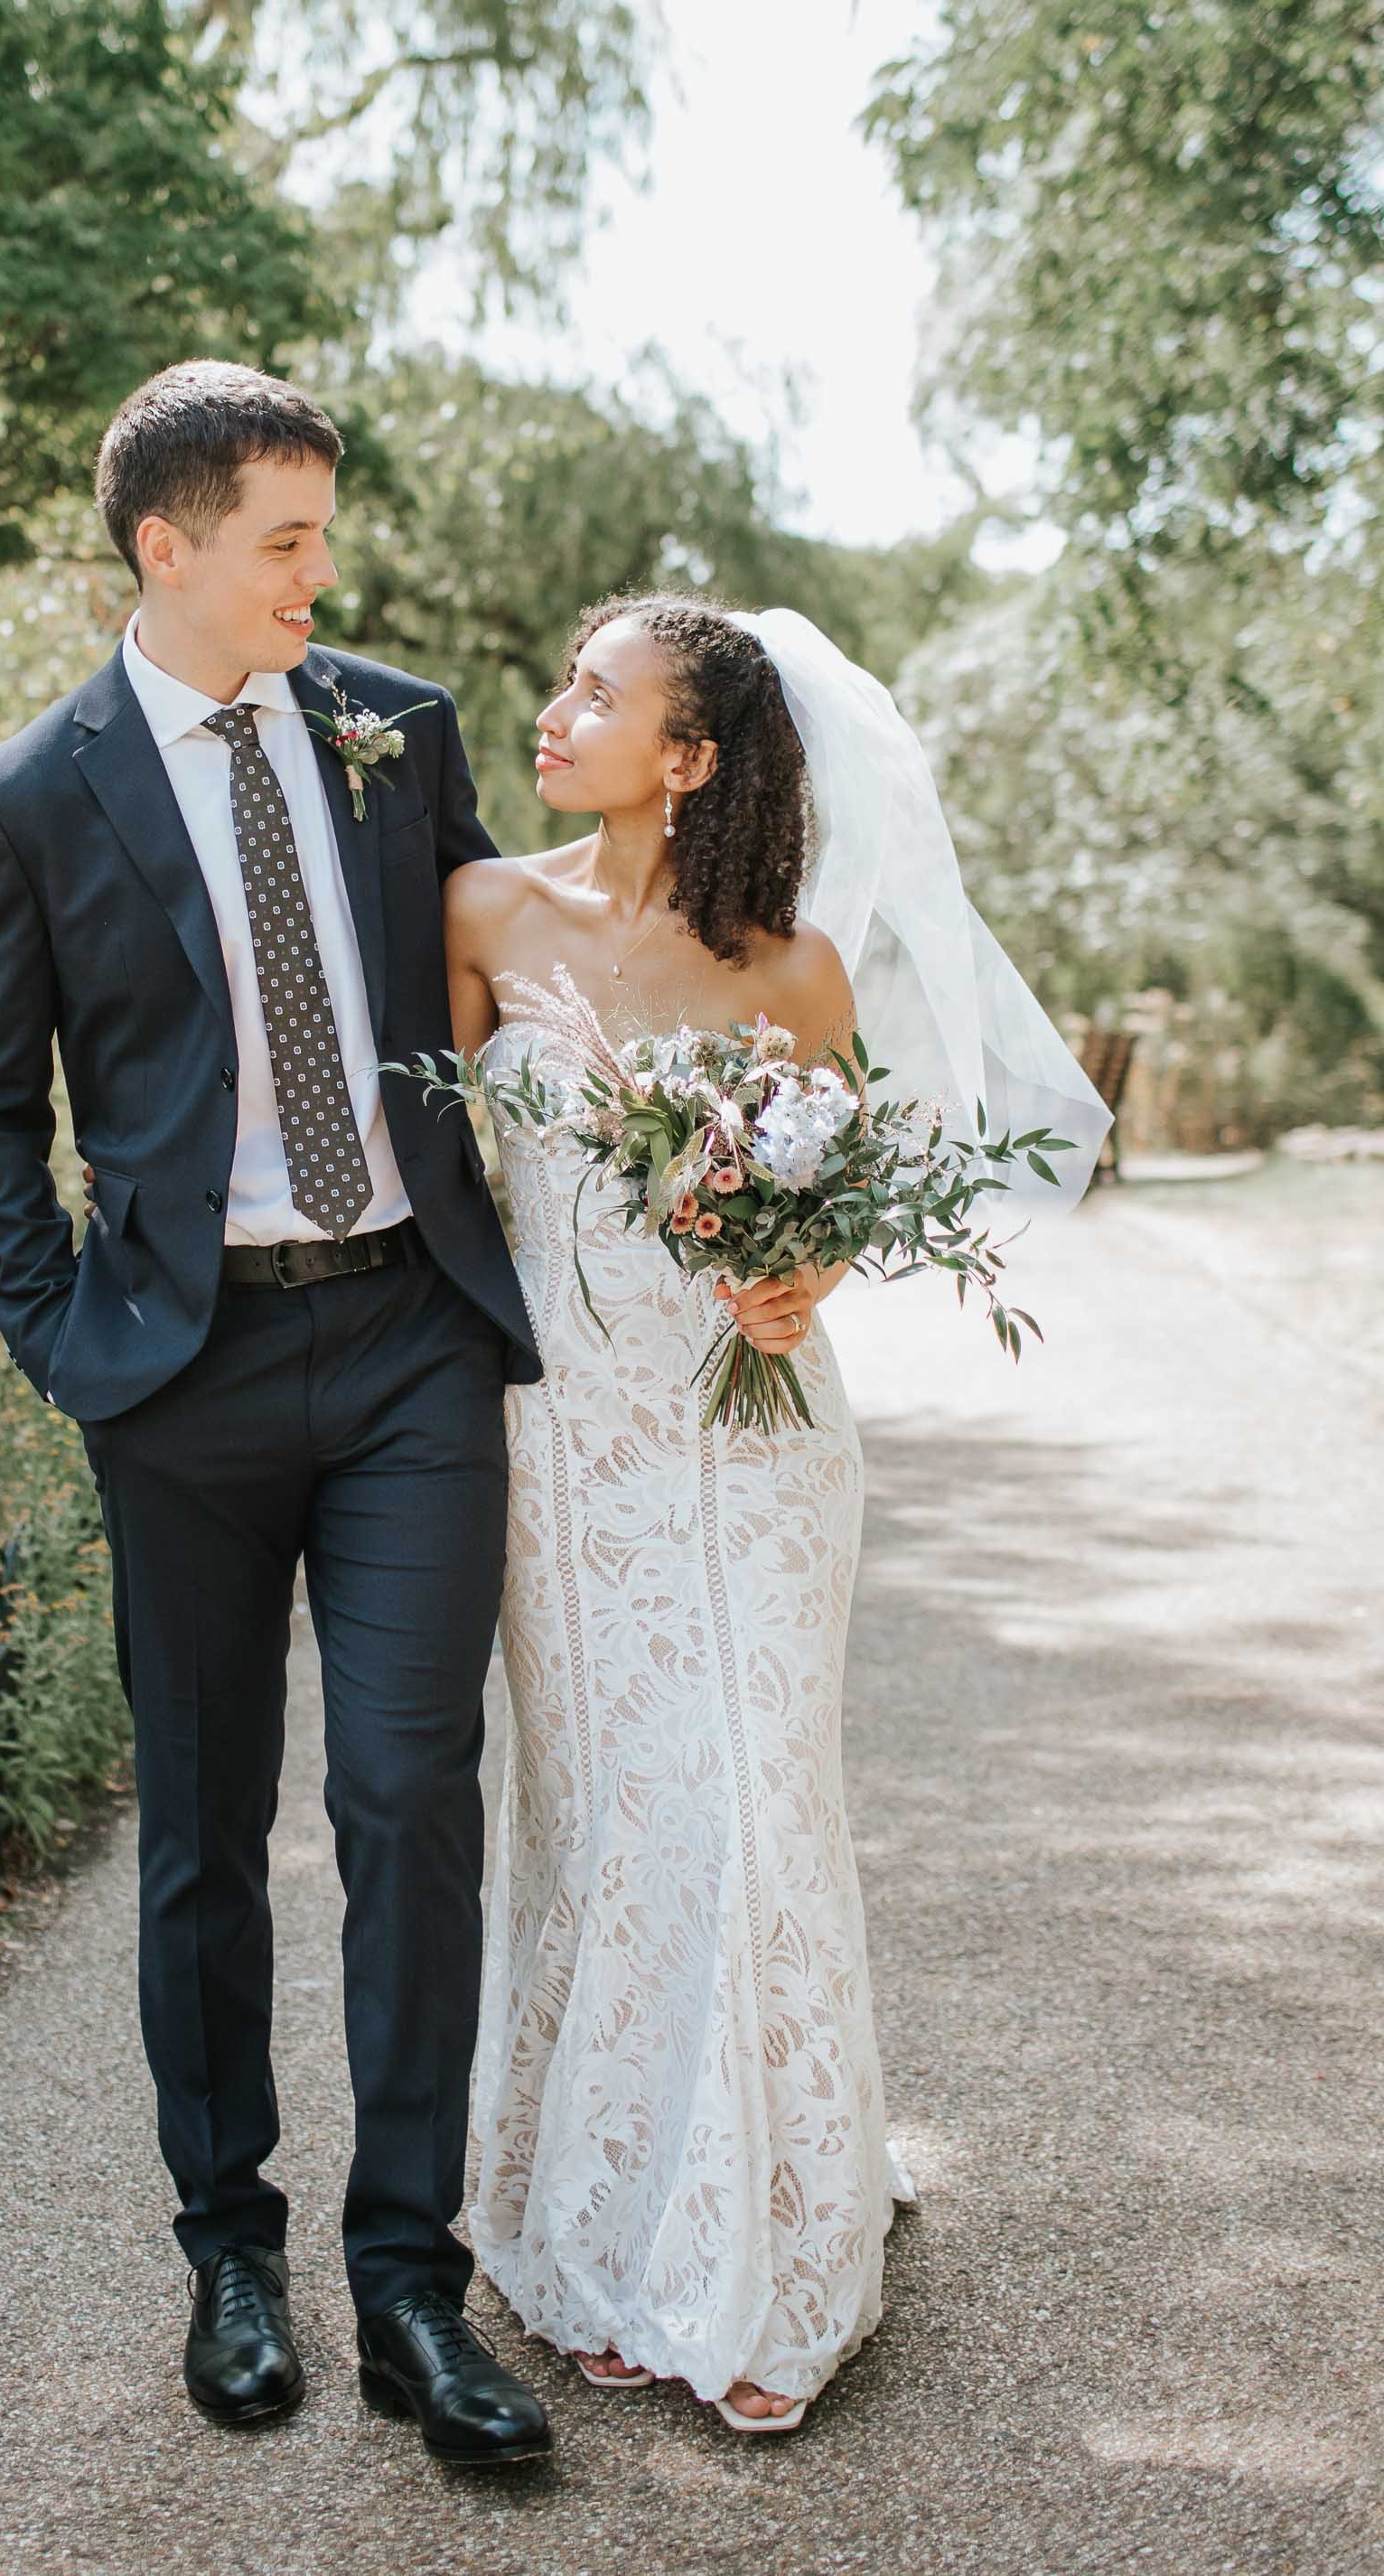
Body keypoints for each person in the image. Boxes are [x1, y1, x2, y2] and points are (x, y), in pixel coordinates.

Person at [0, 359, 553, 2468]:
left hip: (407, 1346)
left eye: (320, 533)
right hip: (177, 1374)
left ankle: (407, 2277)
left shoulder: (397, 730)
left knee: (407, 1799)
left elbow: (508, 973)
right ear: (166, 545)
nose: (320, 572)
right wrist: (63, 1336)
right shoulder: (32, 792)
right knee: (200, 1829)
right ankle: (228, 2242)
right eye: (283, 537)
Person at [445, 593, 1107, 2430]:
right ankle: (590, 2225)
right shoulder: (485, 913)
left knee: (745, 1786)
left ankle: (772, 2248)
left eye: (603, 692)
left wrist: (795, 1276)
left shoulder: (794, 973)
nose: (558, 707)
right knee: (611, 1814)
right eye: (565, 675)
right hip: (569, 1456)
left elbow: (816, 1203)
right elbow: (442, 1194)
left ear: (693, 756)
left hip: (755, 1441)